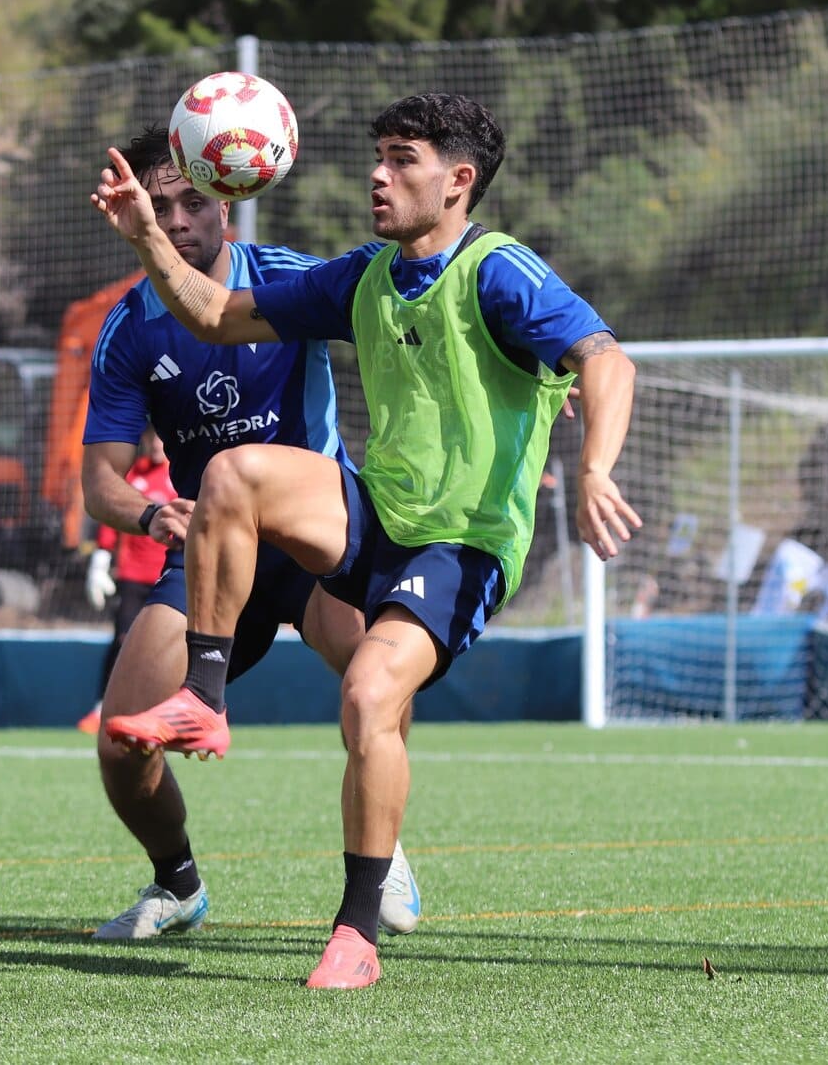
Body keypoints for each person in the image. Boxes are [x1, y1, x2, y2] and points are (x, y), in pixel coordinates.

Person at [92, 92, 640, 988]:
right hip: (372, 510)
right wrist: (148, 236)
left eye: (402, 159)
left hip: (460, 544)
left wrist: (594, 469)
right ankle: (203, 695)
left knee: (368, 697)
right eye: (377, 155)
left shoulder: (499, 270)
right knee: (232, 473)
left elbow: (606, 357)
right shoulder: (365, 274)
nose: (378, 175)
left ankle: (357, 930)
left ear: (459, 181)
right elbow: (217, 314)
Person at [80, 125, 421, 942]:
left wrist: (537, 375)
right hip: (208, 552)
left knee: (376, 677)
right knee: (123, 744)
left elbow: (425, 318)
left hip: (315, 541)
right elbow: (98, 481)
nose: (176, 219)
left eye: (193, 201)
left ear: (229, 201)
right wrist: (150, 512)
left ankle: (387, 845)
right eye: (158, 207)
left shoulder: (295, 284)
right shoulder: (129, 329)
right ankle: (179, 883)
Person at [77, 424, 176, 735]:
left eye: (161, 436)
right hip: (134, 576)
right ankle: (102, 707)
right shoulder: (133, 476)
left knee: (171, 646)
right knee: (123, 640)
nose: (156, 443)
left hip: (171, 575)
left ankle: (168, 710)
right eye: (151, 437)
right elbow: (112, 515)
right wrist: (100, 560)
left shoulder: (182, 475)